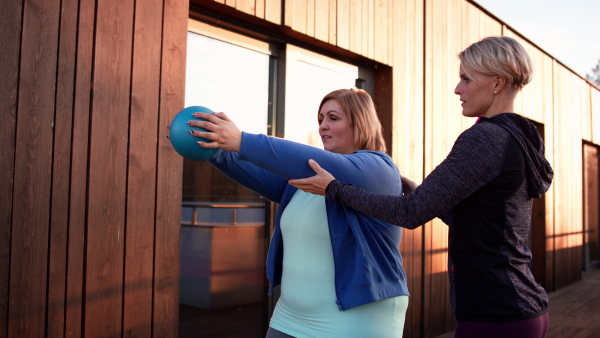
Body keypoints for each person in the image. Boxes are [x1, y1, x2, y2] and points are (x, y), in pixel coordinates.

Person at [289, 36, 553, 338]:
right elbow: (476, 220)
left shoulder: (485, 138)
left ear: (498, 83)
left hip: (495, 314)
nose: (458, 89)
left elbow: (410, 214)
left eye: (466, 79)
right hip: (524, 308)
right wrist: (417, 189)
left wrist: (334, 188)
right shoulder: (518, 137)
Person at [185, 88, 409, 337]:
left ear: (361, 124)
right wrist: (211, 145)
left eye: (333, 118)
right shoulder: (305, 180)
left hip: (356, 319)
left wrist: (241, 140)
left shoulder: (379, 169)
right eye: (321, 119)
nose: (323, 126)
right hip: (290, 317)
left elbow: (325, 164)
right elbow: (249, 168)